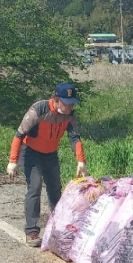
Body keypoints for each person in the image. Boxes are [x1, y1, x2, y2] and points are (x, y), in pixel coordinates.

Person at [7, 82, 88, 247]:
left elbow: (75, 138)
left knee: (55, 188)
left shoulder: (70, 115)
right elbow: (19, 135)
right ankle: (32, 231)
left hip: (50, 154)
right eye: (67, 103)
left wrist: (80, 161)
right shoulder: (38, 111)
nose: (70, 106)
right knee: (35, 187)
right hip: (30, 153)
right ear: (56, 100)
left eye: (72, 103)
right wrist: (12, 161)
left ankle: (58, 225)